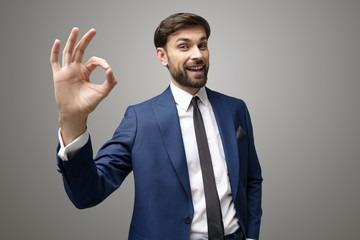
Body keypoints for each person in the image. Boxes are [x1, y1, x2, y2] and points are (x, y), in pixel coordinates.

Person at [50, 13, 262, 240]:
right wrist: (72, 121)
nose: (198, 55)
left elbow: (251, 179)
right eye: (184, 47)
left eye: (202, 45)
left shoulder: (235, 109)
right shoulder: (140, 118)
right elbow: (88, 194)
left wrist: (250, 236)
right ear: (163, 56)